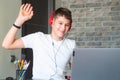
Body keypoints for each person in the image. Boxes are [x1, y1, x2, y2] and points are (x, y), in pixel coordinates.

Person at [2, 3, 76, 80]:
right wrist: (19, 21)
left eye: (66, 25)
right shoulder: (37, 38)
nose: (63, 28)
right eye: (60, 23)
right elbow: (6, 44)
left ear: (69, 27)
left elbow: (77, 71)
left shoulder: (71, 44)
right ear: (52, 22)